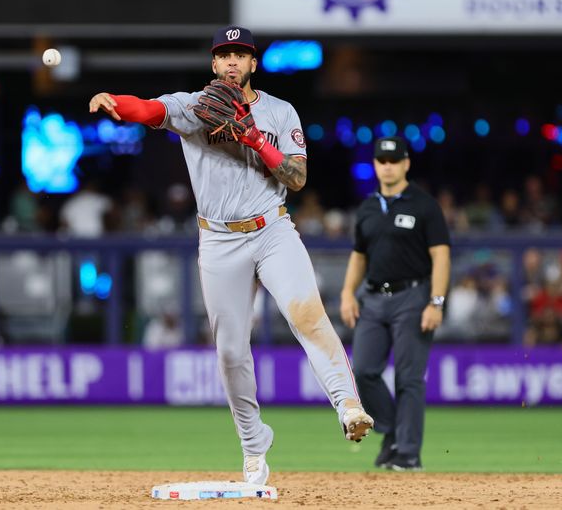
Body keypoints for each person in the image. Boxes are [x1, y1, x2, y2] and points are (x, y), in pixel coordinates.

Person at [89, 25, 373, 485]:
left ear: (254, 64)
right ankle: (253, 444)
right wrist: (116, 103)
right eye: (225, 55)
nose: (233, 61)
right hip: (219, 239)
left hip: (273, 229)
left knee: (308, 316)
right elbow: (150, 109)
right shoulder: (194, 108)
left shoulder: (280, 112)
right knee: (229, 352)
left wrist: (254, 138)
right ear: (214, 64)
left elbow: (297, 178)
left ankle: (348, 406)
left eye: (241, 54)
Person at [339, 136, 451, 471]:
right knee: (363, 371)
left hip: (413, 296)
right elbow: (359, 255)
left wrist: (437, 301)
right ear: (375, 165)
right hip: (373, 297)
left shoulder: (424, 205)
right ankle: (390, 431)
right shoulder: (368, 207)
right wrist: (347, 292)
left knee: (409, 377)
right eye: (382, 160)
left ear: (406, 163)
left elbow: (441, 257)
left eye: (393, 160)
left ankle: (408, 452)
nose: (387, 165)